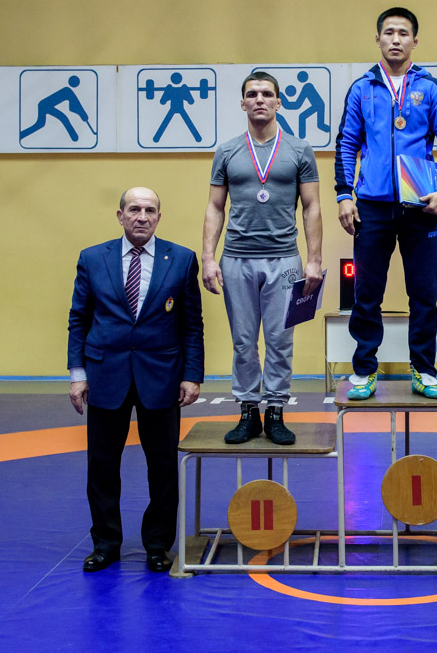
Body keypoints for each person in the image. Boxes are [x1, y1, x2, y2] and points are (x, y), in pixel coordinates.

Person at [67, 187, 204, 573]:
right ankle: (105, 544)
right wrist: (78, 374)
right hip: (105, 374)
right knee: (102, 467)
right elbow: (79, 318)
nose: (142, 216)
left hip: (161, 376)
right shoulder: (92, 258)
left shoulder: (182, 259)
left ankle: (158, 546)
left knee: (163, 467)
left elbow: (192, 324)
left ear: (159, 217)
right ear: (120, 215)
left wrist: (192, 375)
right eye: (134, 209)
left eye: (149, 210)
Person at [335, 6, 437, 400]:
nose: (395, 39)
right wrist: (344, 195)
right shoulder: (362, 88)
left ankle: (423, 370)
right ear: (378, 39)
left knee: (423, 294)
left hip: (419, 205)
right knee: (366, 294)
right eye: (388, 32)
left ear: (414, 41)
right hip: (372, 207)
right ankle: (364, 370)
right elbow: (347, 143)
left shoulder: (431, 87)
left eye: (403, 33)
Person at [202, 72, 322, 445]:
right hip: (237, 259)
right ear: (242, 103)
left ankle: (276, 412)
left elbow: (312, 206)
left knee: (280, 340)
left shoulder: (299, 150)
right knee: (243, 341)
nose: (259, 100)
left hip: (284, 260)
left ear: (278, 102)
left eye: (267, 94)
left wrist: (314, 260)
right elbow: (215, 207)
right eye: (252, 94)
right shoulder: (227, 151)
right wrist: (208, 257)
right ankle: (248, 412)